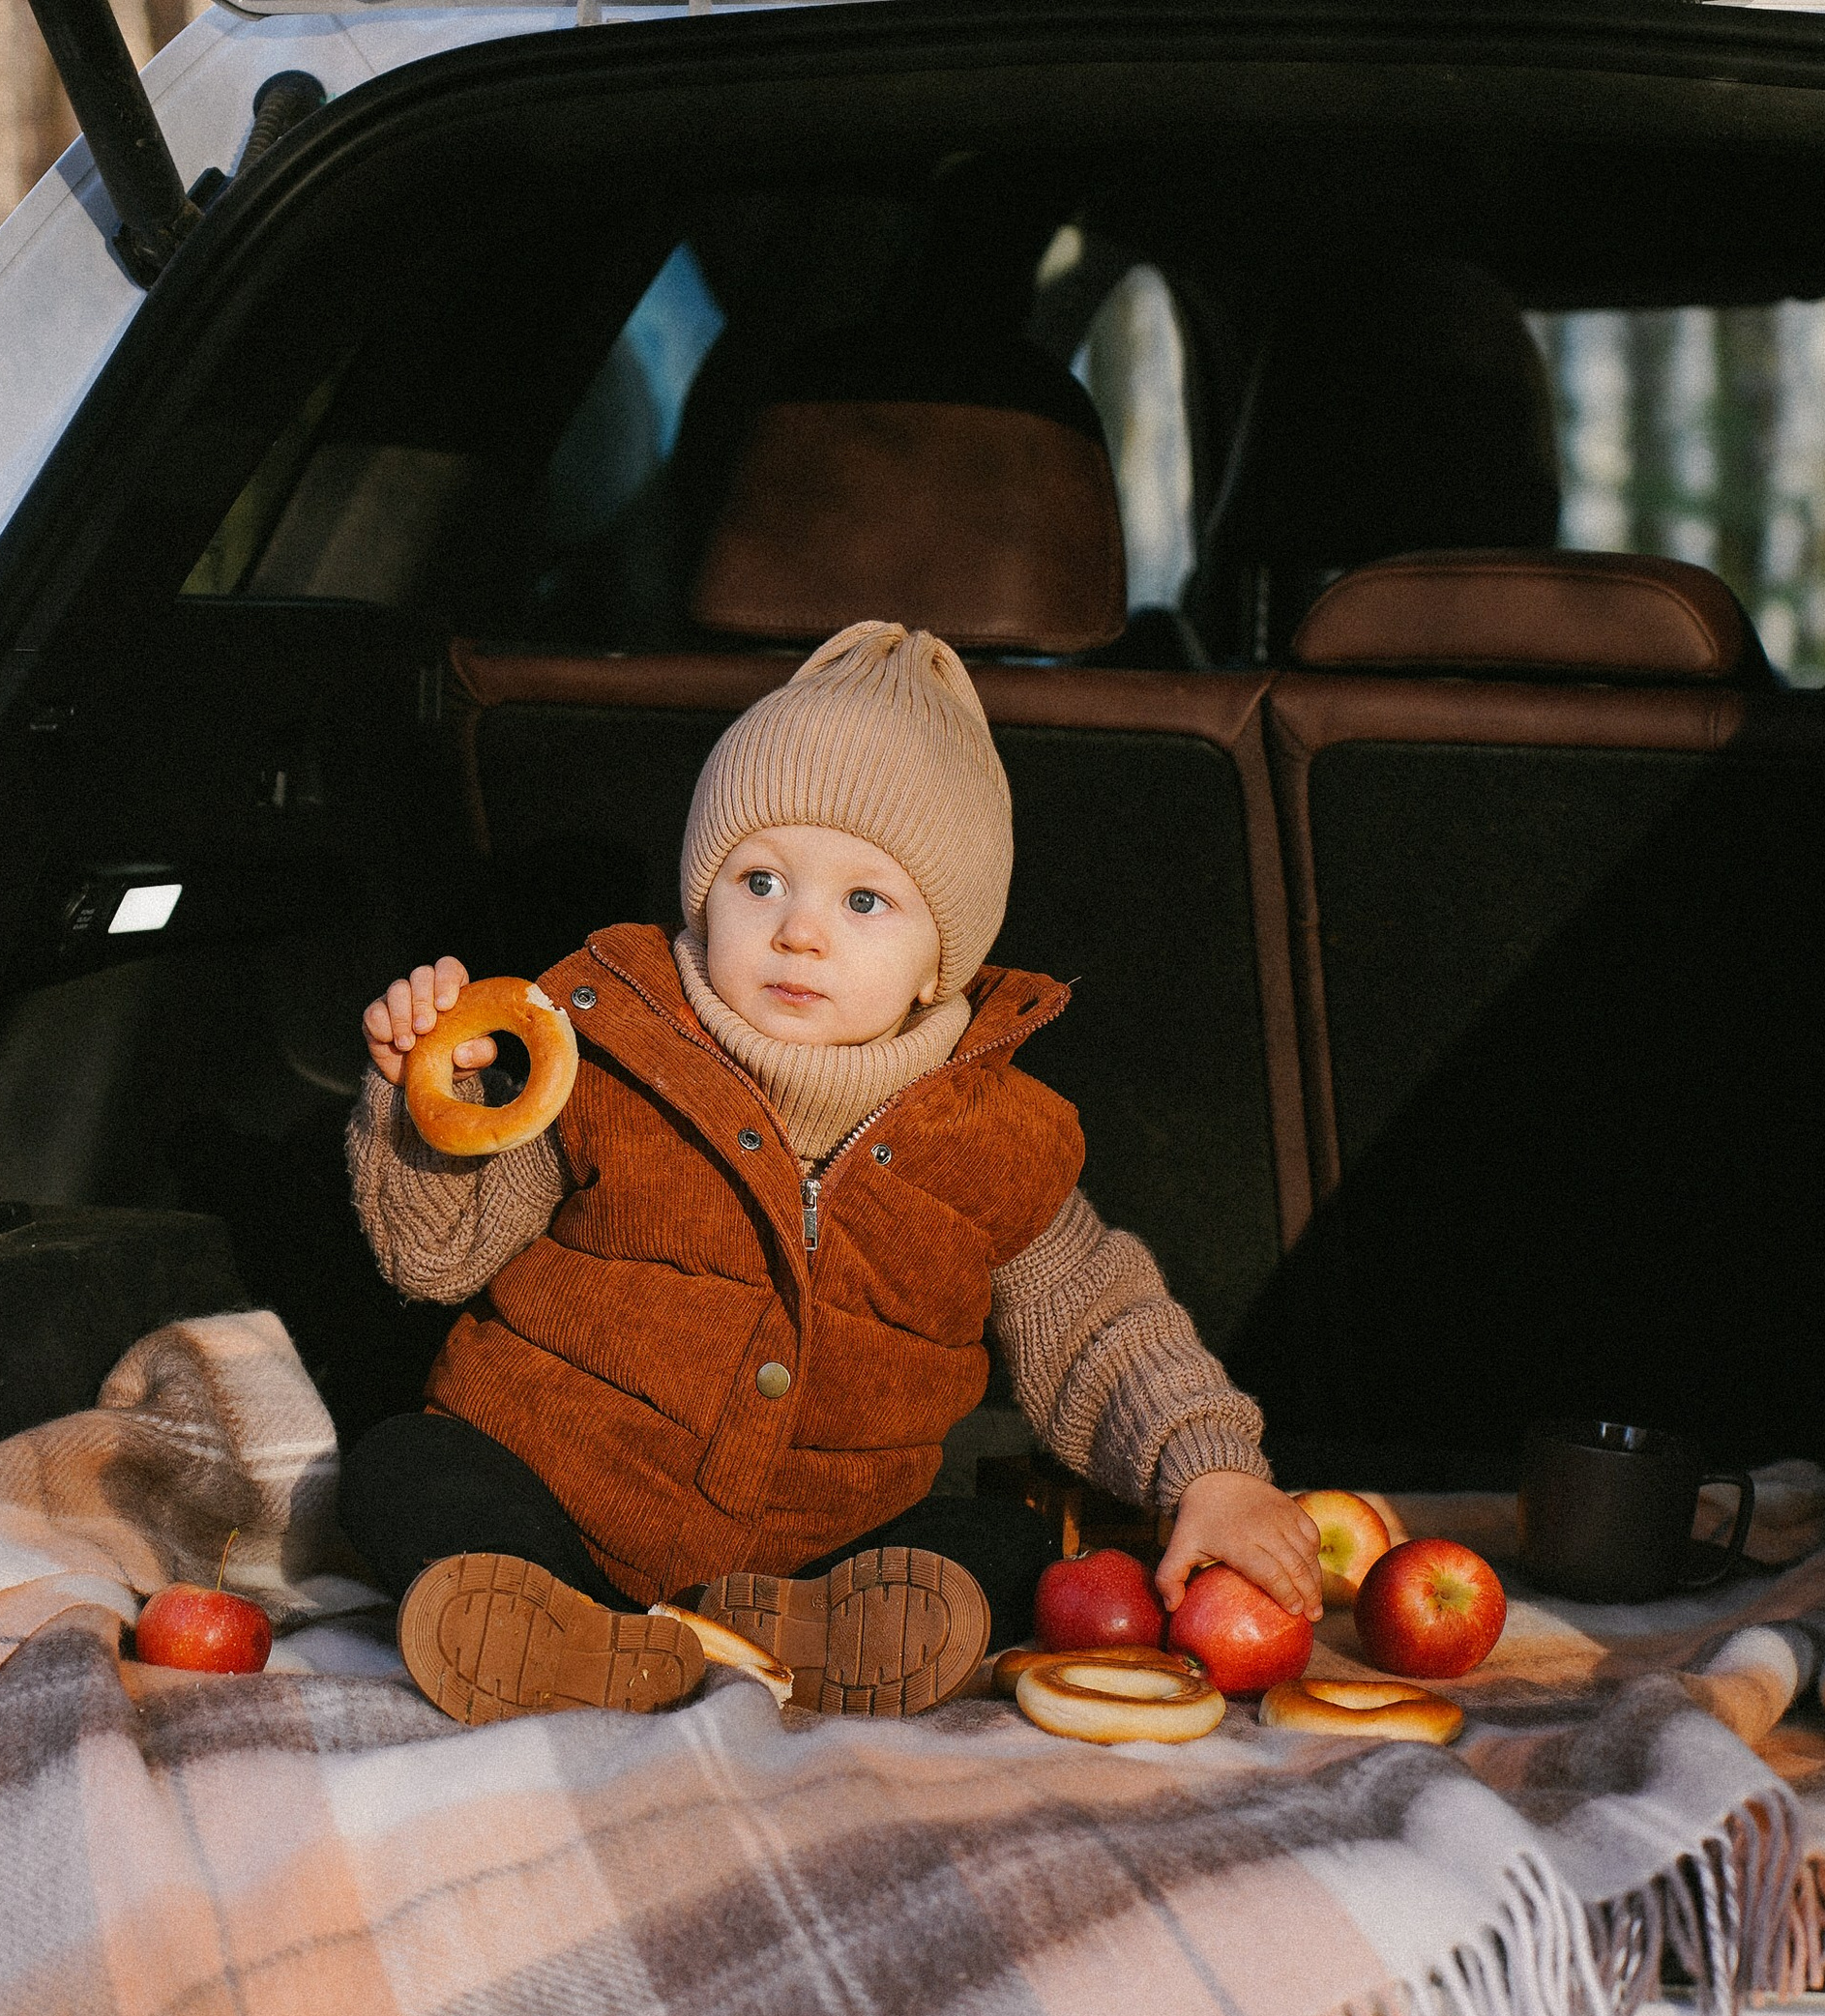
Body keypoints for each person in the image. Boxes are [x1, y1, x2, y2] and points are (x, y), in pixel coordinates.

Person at [340, 620, 1319, 1724]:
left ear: (940, 956)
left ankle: (770, 1636)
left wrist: (1213, 1471)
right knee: (404, 1466)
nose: (799, 930)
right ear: (703, 895)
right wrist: (432, 1101)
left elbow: (1103, 1328)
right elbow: (433, 1257)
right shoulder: (603, 1045)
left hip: (818, 1555)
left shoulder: (994, 1138)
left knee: (1006, 1552)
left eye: (865, 902)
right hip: (556, 1501)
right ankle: (553, 1623)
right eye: (760, 881)